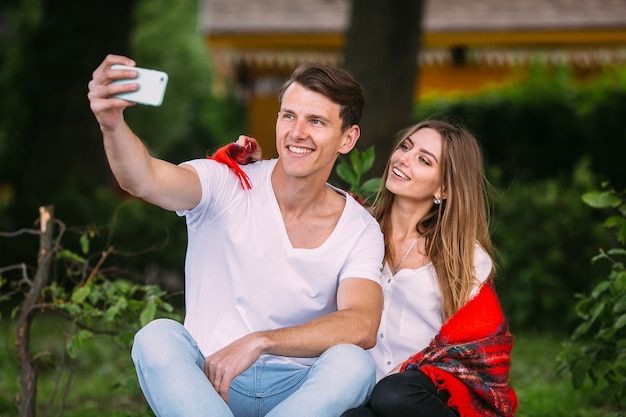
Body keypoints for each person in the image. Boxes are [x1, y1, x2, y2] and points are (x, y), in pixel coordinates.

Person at [87, 54, 384, 417]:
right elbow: (142, 178)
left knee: (354, 363)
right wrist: (111, 123)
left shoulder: (359, 228)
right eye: (288, 115)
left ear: (347, 139)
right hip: (208, 385)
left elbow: (362, 324)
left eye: (316, 121)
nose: (297, 132)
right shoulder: (225, 181)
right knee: (156, 337)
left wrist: (260, 342)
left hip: (298, 394)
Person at [341, 119, 518, 417]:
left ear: (444, 188)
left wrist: (410, 367)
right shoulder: (354, 226)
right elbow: (309, 202)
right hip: (365, 390)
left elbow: (476, 351)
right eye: (405, 147)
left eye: (423, 160)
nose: (403, 159)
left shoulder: (463, 258)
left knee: (394, 394)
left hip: (420, 395)